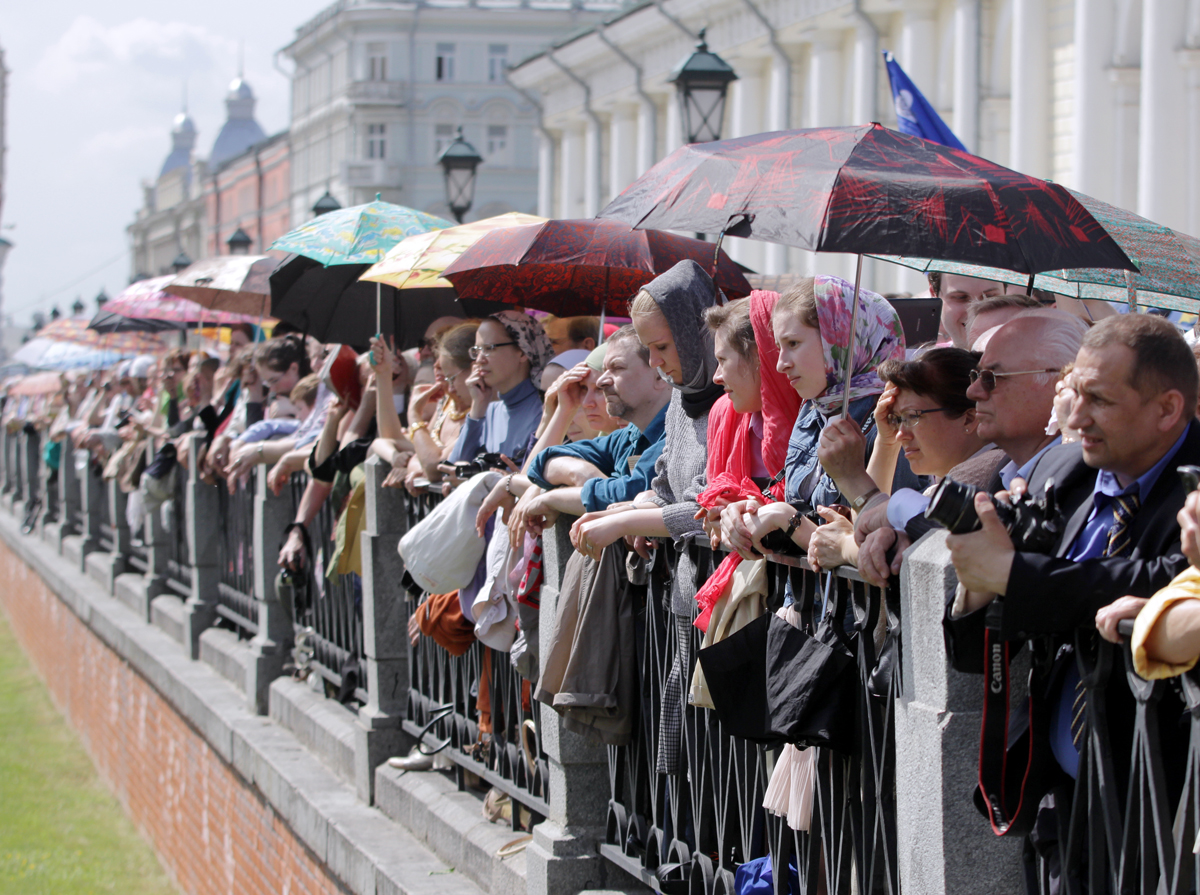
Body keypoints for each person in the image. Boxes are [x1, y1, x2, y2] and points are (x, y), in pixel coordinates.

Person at [945, 314, 1199, 799]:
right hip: (1061, 802)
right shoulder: (1063, 469)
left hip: (1163, 805)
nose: (1076, 418)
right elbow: (974, 655)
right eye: (1074, 392)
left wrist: (1016, 574)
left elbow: (1168, 579)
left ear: (1167, 408)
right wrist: (981, 581)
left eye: (1099, 399)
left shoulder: (1194, 486)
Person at [722, 276, 911, 561]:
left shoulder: (894, 416)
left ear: (842, 338)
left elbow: (880, 544)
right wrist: (752, 509)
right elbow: (799, 505)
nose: (781, 364)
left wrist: (788, 520)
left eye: (793, 343)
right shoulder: (812, 409)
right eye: (779, 347)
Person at [504, 325, 672, 534]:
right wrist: (581, 473)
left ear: (659, 375)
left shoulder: (678, 435)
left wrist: (551, 496)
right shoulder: (629, 436)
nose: (602, 381)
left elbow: (629, 493)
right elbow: (543, 461)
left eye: (617, 368)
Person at [447, 310, 553, 470]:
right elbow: (453, 470)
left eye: (489, 348)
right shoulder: (488, 411)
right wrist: (477, 407)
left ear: (522, 350)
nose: (479, 360)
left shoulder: (546, 410)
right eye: (477, 350)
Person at [929, 271, 1005, 349]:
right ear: (934, 295)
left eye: (989, 297)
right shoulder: (926, 356)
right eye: (961, 297)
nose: (975, 311)